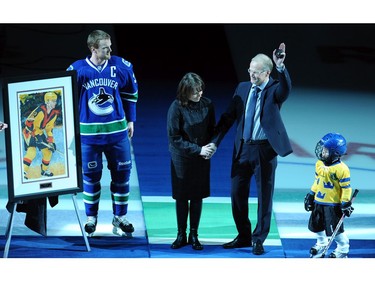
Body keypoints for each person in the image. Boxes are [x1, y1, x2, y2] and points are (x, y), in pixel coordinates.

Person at [211, 43, 293, 255]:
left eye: (255, 72)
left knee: (265, 197)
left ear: (267, 72)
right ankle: (244, 235)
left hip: (264, 151)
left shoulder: (275, 89)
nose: (251, 75)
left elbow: (286, 89)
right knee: (237, 194)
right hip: (242, 150)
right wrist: (215, 141)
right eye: (249, 70)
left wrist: (281, 67)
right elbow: (228, 117)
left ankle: (259, 239)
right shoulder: (242, 87)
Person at [66, 30, 138, 237]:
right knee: (90, 177)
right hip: (89, 136)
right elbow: (66, 97)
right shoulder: (77, 70)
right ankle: (91, 218)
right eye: (105, 47)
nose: (110, 50)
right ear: (93, 48)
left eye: (110, 46)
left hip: (117, 133)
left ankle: (120, 217)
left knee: (122, 176)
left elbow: (130, 92)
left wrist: (131, 119)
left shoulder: (121, 66)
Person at [167, 72, 217, 250]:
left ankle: (194, 234)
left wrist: (212, 146)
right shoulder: (176, 107)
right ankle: (181, 234)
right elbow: (174, 138)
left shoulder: (208, 105)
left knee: (197, 197)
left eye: (201, 90)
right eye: (195, 91)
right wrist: (198, 149)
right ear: (185, 92)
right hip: (181, 158)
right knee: (181, 197)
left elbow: (213, 129)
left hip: (202, 157)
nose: (199, 94)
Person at [304, 132, 354, 258]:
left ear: (335, 153)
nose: (322, 153)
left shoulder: (342, 169)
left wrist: (345, 203)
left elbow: (346, 188)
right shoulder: (319, 164)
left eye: (325, 151)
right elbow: (317, 181)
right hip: (318, 202)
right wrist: (311, 194)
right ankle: (321, 243)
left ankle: (343, 248)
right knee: (316, 226)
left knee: (335, 231)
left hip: (332, 205)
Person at [22, 91, 60, 180]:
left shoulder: (53, 115)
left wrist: (51, 142)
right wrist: (36, 136)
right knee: (32, 152)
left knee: (47, 152)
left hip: (39, 132)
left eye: (55, 100)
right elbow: (28, 123)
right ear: (47, 101)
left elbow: (49, 129)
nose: (55, 102)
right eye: (53, 100)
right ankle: (23, 172)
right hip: (29, 132)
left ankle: (44, 171)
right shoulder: (39, 111)